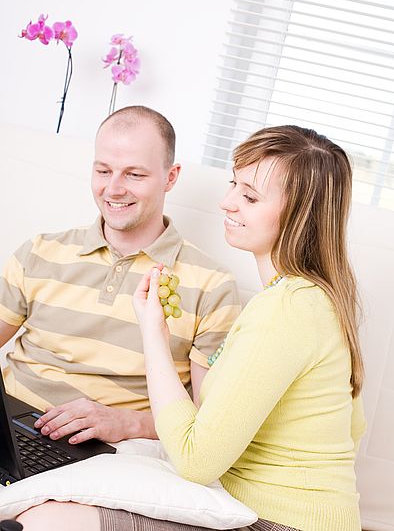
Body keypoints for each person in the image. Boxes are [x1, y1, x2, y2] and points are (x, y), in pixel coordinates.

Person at [16, 125, 367, 531]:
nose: (227, 203)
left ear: (300, 215)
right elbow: (350, 432)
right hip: (253, 508)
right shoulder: (310, 298)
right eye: (234, 185)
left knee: (48, 521)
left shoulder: (288, 308)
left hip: (278, 521)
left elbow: (195, 460)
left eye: (249, 197)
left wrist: (153, 334)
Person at [0, 105, 240, 444]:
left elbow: (207, 422)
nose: (113, 189)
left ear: (171, 177)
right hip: (12, 429)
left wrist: (128, 424)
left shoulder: (211, 285)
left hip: (112, 448)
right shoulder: (40, 252)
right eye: (103, 171)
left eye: (134, 175)